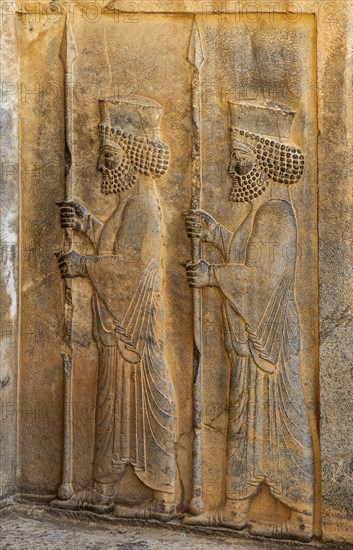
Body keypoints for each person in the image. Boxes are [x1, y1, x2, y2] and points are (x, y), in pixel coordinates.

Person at [184, 99, 314, 541]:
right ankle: (236, 507)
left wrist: (212, 276)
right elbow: (246, 257)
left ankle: (302, 515)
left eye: (240, 163)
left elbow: (260, 280)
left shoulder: (277, 213)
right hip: (251, 343)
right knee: (242, 421)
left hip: (269, 345)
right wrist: (215, 233)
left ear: (263, 161)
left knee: (283, 424)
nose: (234, 172)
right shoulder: (260, 211)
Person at [53, 96, 177, 520]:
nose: (102, 165)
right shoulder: (131, 203)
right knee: (112, 406)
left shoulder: (143, 206)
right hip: (122, 333)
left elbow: (127, 268)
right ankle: (104, 489)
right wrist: (86, 224)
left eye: (108, 155)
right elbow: (117, 248)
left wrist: (83, 265)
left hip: (134, 333)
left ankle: (161, 496)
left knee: (143, 405)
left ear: (133, 153)